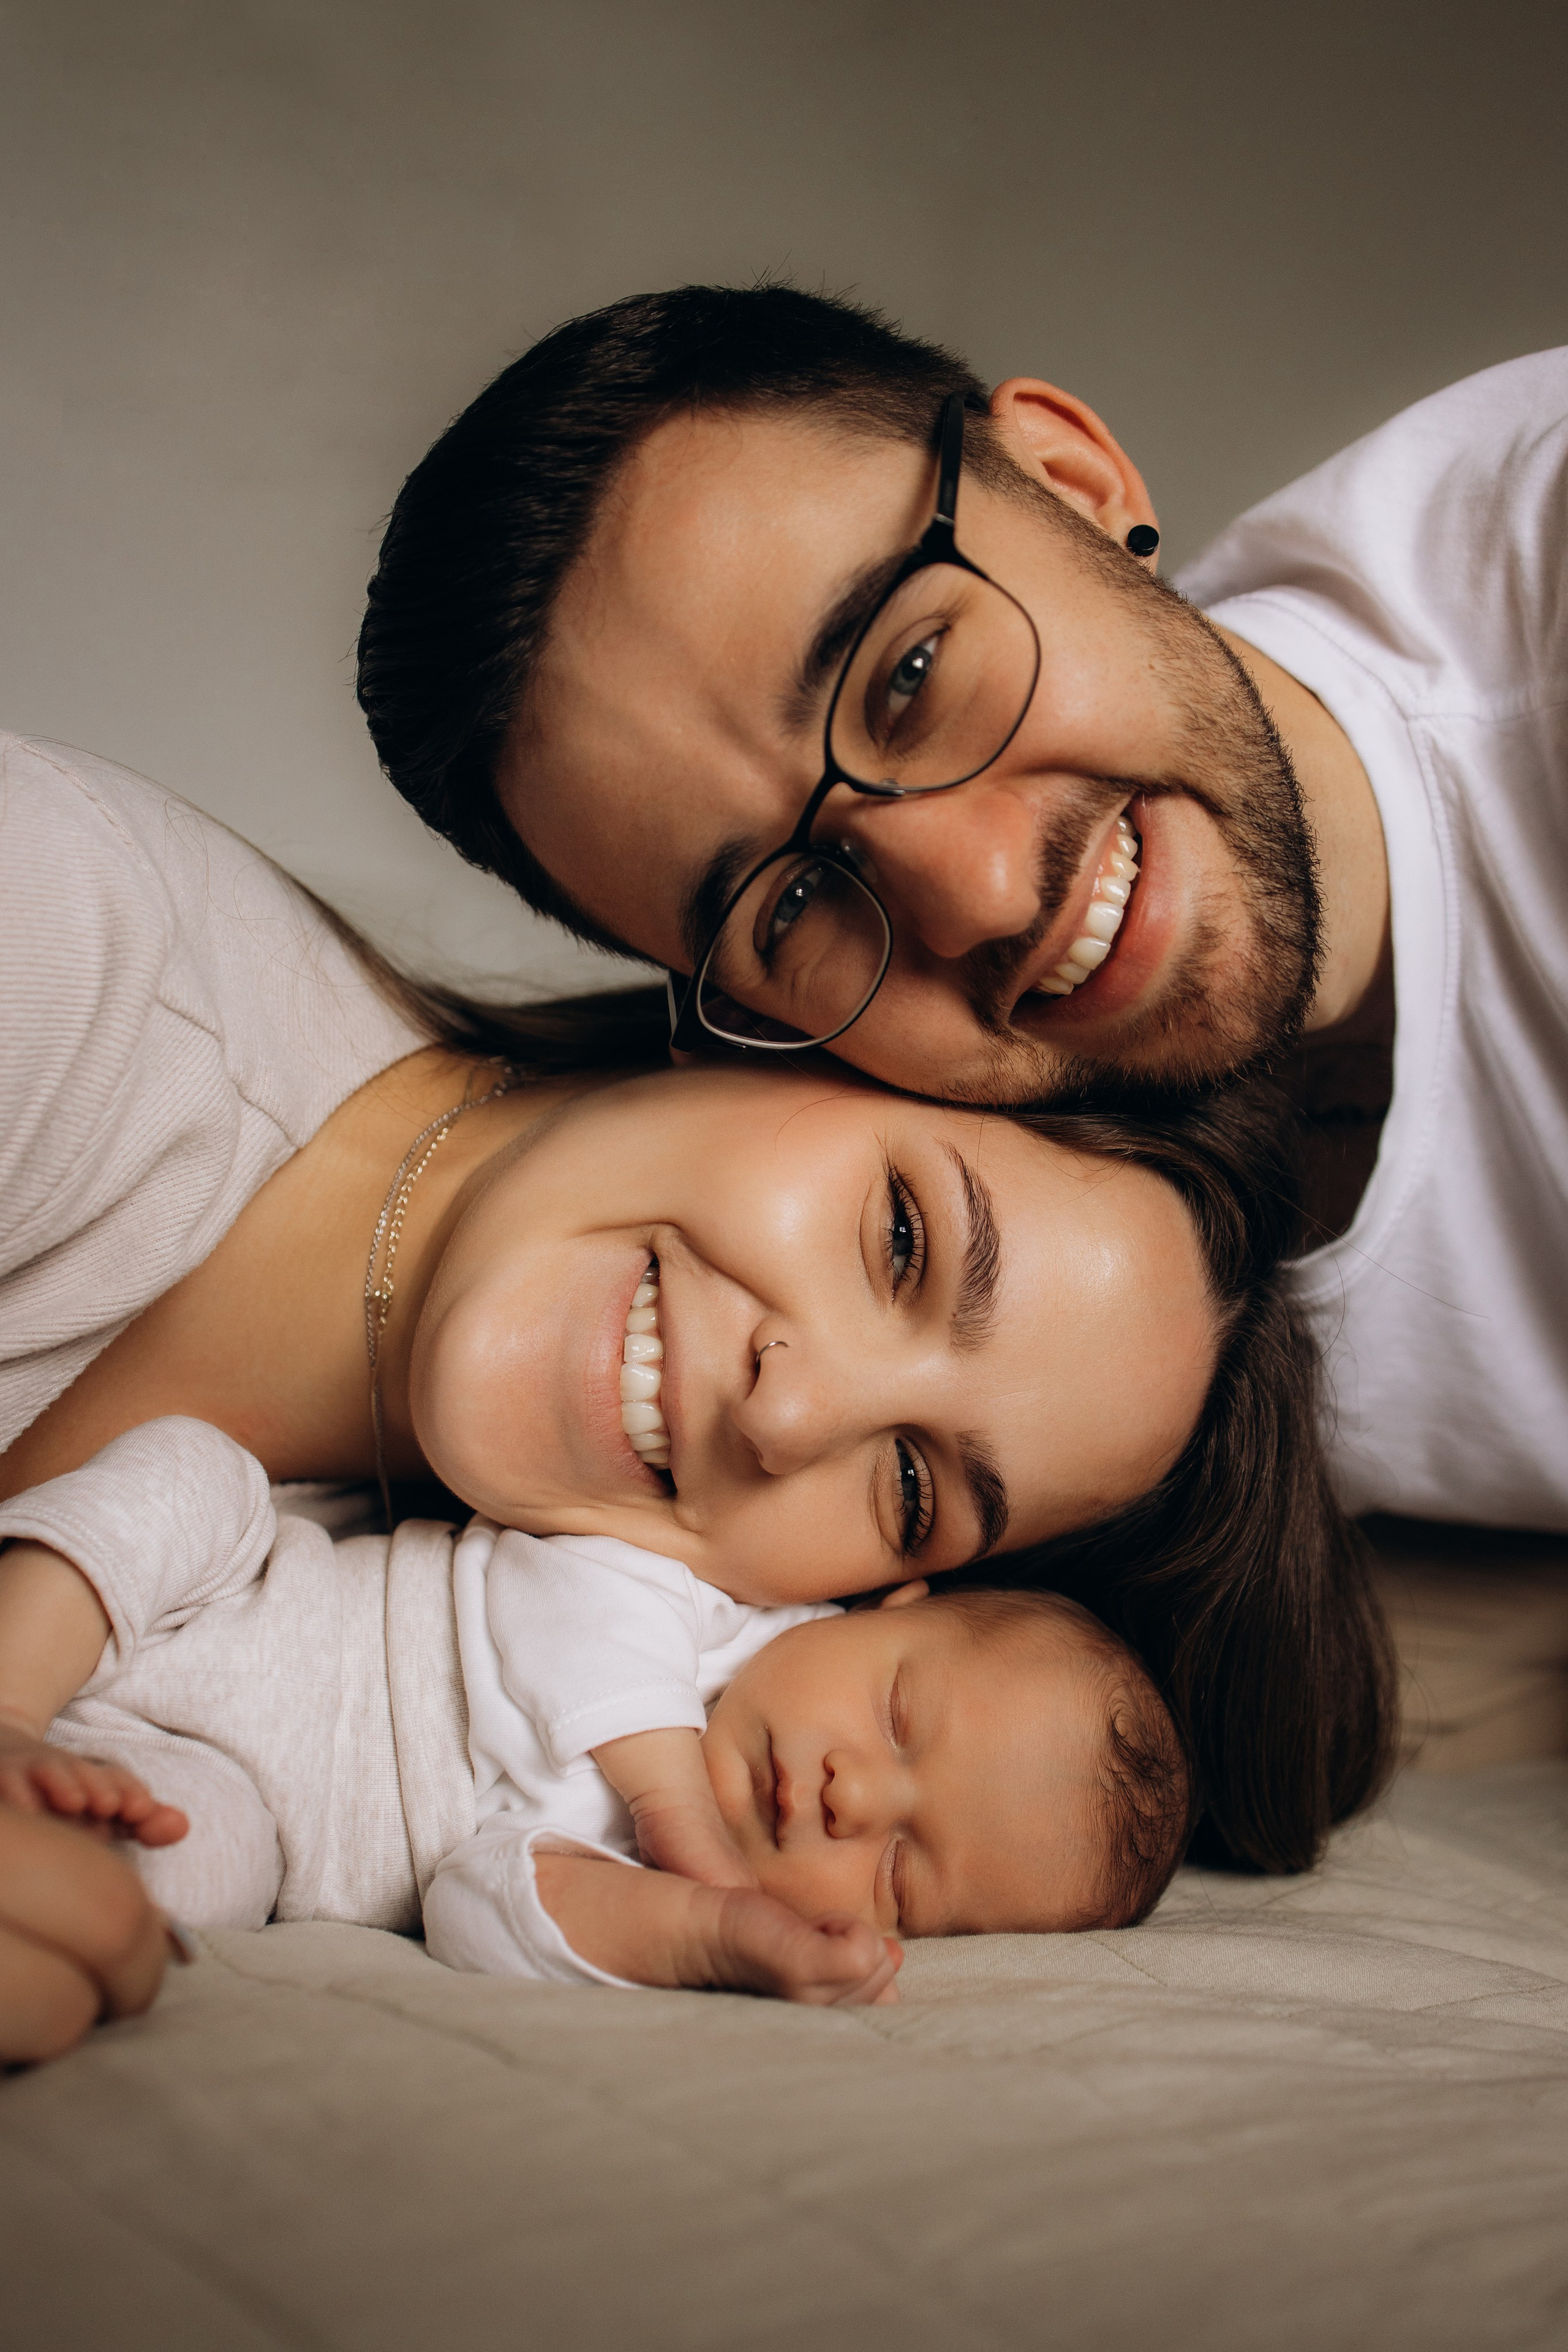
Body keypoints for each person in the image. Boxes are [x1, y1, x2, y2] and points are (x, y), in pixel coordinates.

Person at [0, 729, 1394, 1893]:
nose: (791, 1410)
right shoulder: (58, 947)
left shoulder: (383, 1638)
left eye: (911, 1487)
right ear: (779, 1013)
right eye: (903, 1237)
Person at [355, 290, 1568, 1532]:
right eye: (790, 905)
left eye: (910, 676)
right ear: (736, 1032)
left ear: (1071, 478)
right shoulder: (986, 1330)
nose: (980, 895)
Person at [0, 1413, 1191, 2059]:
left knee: (193, 1870)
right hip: (237, 1585)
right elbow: (553, 1594)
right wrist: (667, 1798)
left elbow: (481, 1901)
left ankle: (29, 1832)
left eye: (898, 1870)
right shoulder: (716, 1601)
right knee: (195, 1472)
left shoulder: (662, 1880)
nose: (852, 1800)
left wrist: (707, 1930)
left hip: (236, 1799)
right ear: (883, 1612)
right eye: (894, 1720)